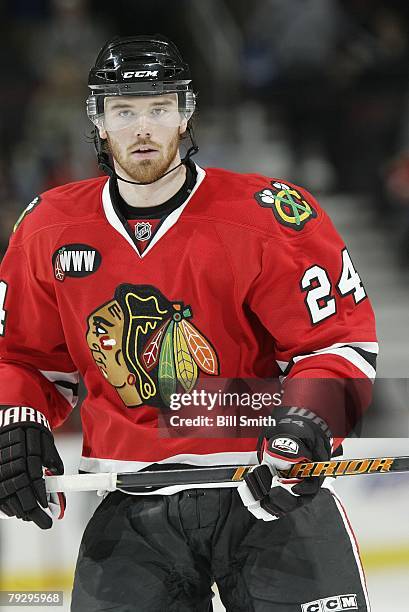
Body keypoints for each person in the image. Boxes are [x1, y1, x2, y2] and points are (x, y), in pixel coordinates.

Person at [0, 35, 377, 611]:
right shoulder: (49, 226)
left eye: (158, 108)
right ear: (99, 121)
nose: (142, 127)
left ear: (186, 113)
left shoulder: (269, 215)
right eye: (124, 111)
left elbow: (340, 343)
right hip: (132, 502)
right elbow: (24, 357)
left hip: (265, 489)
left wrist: (308, 420)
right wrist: (18, 420)